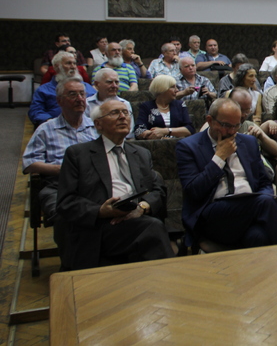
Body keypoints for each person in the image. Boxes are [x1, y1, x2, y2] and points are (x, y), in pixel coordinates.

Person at [57, 99, 173, 270]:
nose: (122, 117)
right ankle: (171, 281)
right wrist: (100, 211)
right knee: (153, 228)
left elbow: (157, 191)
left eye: (125, 112)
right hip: (99, 226)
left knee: (150, 228)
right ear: (98, 124)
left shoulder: (140, 153)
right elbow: (66, 202)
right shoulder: (78, 154)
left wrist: (142, 207)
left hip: (136, 218)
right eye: (114, 113)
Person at [176, 98, 277, 249]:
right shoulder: (188, 147)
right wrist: (219, 158)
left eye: (236, 125)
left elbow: (264, 182)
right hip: (213, 214)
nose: (232, 131)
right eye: (226, 125)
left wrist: (264, 195)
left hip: (251, 211)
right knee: (265, 203)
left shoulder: (248, 142)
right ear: (210, 120)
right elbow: (194, 191)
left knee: (257, 236)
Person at [23, 78, 99, 226]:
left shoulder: (97, 127)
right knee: (64, 216)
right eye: (72, 95)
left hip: (93, 183)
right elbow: (29, 163)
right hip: (59, 185)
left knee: (106, 210)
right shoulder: (46, 129)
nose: (79, 99)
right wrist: (61, 169)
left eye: (82, 94)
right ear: (59, 101)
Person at [29, 51, 97, 127]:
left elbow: (99, 106)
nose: (73, 67)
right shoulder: (44, 90)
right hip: (56, 128)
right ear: (57, 67)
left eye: (74, 63)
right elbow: (35, 111)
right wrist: (49, 121)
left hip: (88, 127)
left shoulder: (87, 87)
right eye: (68, 63)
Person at [133, 74, 195, 139]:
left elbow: (189, 129)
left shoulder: (180, 105)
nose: (177, 90)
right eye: (172, 87)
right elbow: (138, 130)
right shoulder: (146, 106)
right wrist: (160, 137)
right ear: (162, 89)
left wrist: (166, 131)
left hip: (178, 143)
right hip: (156, 145)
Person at [85, 68, 134, 139]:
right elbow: (85, 130)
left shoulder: (125, 104)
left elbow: (129, 132)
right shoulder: (87, 104)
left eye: (116, 82)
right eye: (109, 82)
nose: (114, 86)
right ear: (96, 84)